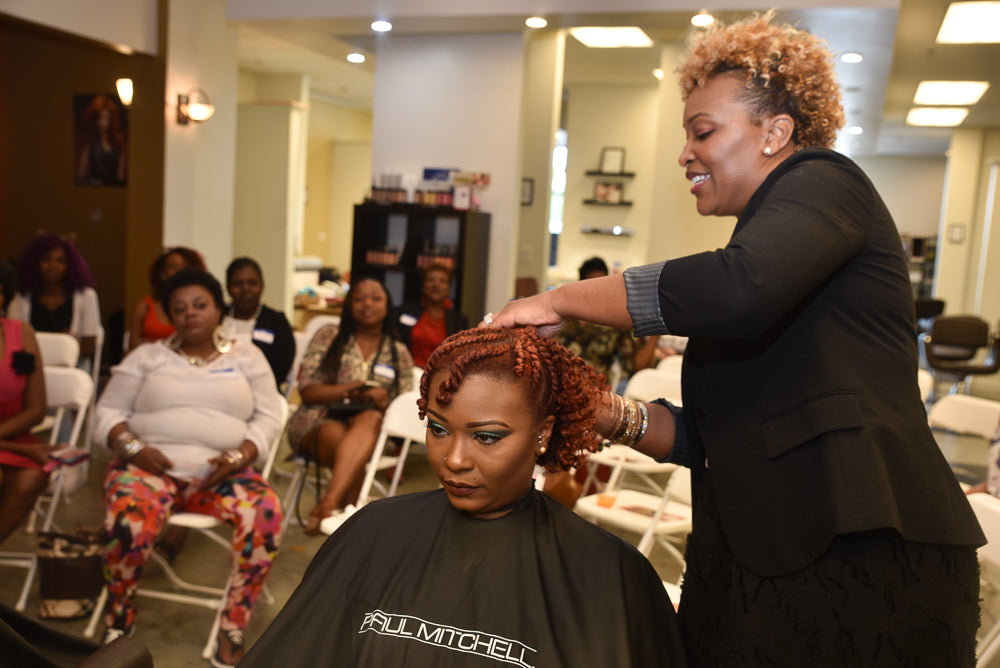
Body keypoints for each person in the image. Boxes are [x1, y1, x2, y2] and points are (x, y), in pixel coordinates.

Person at [486, 13, 984, 666]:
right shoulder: (771, 254)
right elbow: (723, 437)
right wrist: (599, 410)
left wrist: (557, 300)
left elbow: (735, 289)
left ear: (776, 133)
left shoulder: (827, 183)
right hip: (752, 559)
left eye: (703, 131)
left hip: (862, 556)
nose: (684, 153)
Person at [241, 327, 687, 667]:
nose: (453, 459)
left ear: (542, 433)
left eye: (487, 437)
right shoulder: (372, 531)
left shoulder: (609, 574)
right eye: (438, 429)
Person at [94, 268, 284, 667]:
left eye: (200, 305)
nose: (190, 313)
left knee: (265, 512)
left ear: (218, 309)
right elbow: (107, 412)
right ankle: (118, 619)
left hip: (221, 475)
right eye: (179, 308)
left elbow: (269, 417)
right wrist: (134, 450)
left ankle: (233, 624)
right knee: (128, 520)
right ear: (169, 315)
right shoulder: (147, 357)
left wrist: (238, 457)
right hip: (148, 471)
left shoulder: (247, 356)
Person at [287, 276, 413, 535]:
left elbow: (404, 407)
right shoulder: (329, 336)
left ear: (387, 306)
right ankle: (340, 516)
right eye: (359, 299)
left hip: (373, 430)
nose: (368, 304)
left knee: (370, 420)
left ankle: (329, 504)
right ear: (348, 305)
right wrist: (357, 390)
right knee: (343, 443)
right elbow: (308, 390)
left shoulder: (398, 351)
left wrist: (381, 401)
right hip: (317, 420)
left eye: (376, 298)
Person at [0, 257, 52, 545]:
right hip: (12, 444)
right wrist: (23, 449)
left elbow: (36, 409)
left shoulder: (22, 333)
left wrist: (17, 446)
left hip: (13, 435)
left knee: (30, 477)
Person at [556, 257, 659, 390]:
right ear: (580, 285)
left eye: (601, 284)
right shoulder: (565, 315)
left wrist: (656, 332)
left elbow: (636, 366)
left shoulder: (614, 323)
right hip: (556, 385)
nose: (597, 291)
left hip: (592, 391)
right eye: (591, 284)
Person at [8, 233, 101, 367]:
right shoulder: (22, 297)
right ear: (35, 263)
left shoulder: (85, 295)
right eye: (46, 259)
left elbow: (88, 348)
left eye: (61, 261)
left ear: (70, 266)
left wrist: (67, 346)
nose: (53, 266)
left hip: (72, 369)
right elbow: (13, 341)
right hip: (30, 367)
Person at [221, 257, 295, 389]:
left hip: (262, 390)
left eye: (252, 283)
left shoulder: (277, 322)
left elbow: (281, 369)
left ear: (262, 286)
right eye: (238, 284)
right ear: (228, 288)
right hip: (217, 387)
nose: (246, 288)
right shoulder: (216, 318)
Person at [127, 246, 205, 352]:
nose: (180, 272)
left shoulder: (203, 306)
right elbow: (132, 348)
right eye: (173, 267)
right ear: (162, 274)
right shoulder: (144, 306)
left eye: (185, 267)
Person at [395, 262, 468, 368]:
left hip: (442, 373)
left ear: (449, 288)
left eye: (442, 281)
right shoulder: (406, 312)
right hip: (408, 370)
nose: (436, 285)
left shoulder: (458, 320)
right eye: (431, 280)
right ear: (423, 286)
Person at [75, 93, 127, 187]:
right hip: (93, 189)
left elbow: (120, 177)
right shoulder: (90, 145)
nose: (103, 122)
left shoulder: (118, 145)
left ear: (111, 119)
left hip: (114, 189)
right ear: (95, 120)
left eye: (106, 117)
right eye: (100, 117)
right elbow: (80, 175)